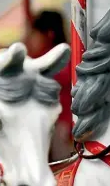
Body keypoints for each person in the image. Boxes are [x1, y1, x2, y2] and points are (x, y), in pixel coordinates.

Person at [23, 10, 73, 161]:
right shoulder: (37, 59)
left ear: (49, 34)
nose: (28, 39)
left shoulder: (62, 60)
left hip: (63, 127)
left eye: (33, 34)